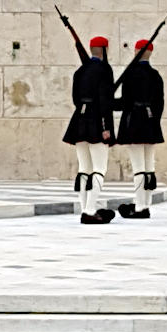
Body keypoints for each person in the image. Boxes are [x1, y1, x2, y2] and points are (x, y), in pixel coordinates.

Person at [59, 18, 116, 225]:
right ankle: (90, 211)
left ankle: (85, 208)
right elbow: (105, 102)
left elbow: (75, 99)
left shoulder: (80, 71)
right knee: (99, 169)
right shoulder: (105, 70)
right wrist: (106, 127)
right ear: (103, 50)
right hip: (95, 121)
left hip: (79, 121)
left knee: (84, 168)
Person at [115, 38, 165, 219]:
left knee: (139, 168)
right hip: (151, 123)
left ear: (136, 52)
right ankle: (146, 204)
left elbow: (125, 102)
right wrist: (153, 121)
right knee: (149, 166)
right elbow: (160, 103)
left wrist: (108, 103)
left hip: (134, 122)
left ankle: (140, 206)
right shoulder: (155, 75)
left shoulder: (130, 74)